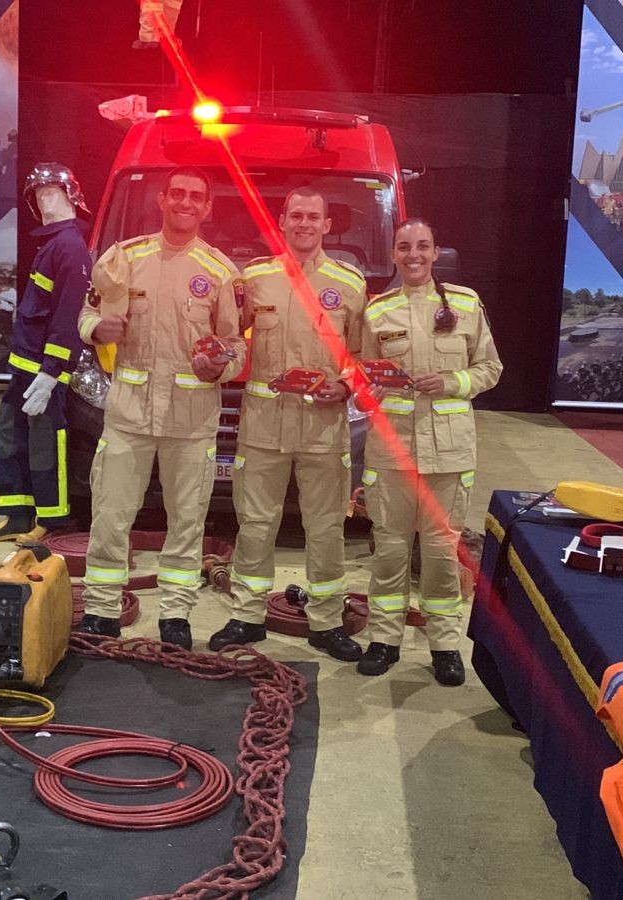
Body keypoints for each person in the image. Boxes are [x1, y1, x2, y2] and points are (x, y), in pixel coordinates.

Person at [77, 166, 245, 649]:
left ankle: (175, 616)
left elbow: (234, 344)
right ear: (162, 200)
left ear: (207, 207)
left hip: (190, 422)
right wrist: (96, 329)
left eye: (197, 196)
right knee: (110, 515)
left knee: (187, 521)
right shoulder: (123, 259)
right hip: (129, 415)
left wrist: (220, 365)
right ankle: (102, 611)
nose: (186, 203)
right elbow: (89, 311)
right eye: (178, 194)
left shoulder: (220, 272)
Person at [209, 186, 366, 662]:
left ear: (326, 224)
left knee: (325, 528)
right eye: (295, 215)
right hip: (264, 426)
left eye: (312, 216)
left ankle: (325, 621)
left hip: (323, 427)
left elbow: (361, 357)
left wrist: (345, 387)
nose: (303, 223)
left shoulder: (350, 283)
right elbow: (229, 337)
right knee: (255, 524)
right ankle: (247, 615)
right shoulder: (254, 279)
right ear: (281, 221)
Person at [357, 219, 502, 685]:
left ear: (437, 251)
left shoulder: (464, 304)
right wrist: (367, 385)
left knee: (441, 553)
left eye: (423, 246)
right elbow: (362, 377)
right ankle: (384, 639)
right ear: (394, 255)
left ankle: (445, 645)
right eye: (405, 247)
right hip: (392, 450)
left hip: (449, 451)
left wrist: (453, 382)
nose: (414, 255)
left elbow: (490, 367)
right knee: (390, 550)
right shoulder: (377, 312)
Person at [0, 163, 92, 543]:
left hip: (44, 371)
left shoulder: (71, 248)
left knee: (47, 443)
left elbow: (67, 316)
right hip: (24, 364)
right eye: (38, 196)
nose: (44, 202)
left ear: (70, 196)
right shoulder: (55, 244)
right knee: (11, 436)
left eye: (51, 193)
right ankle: (16, 514)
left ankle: (52, 519)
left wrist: (52, 371)